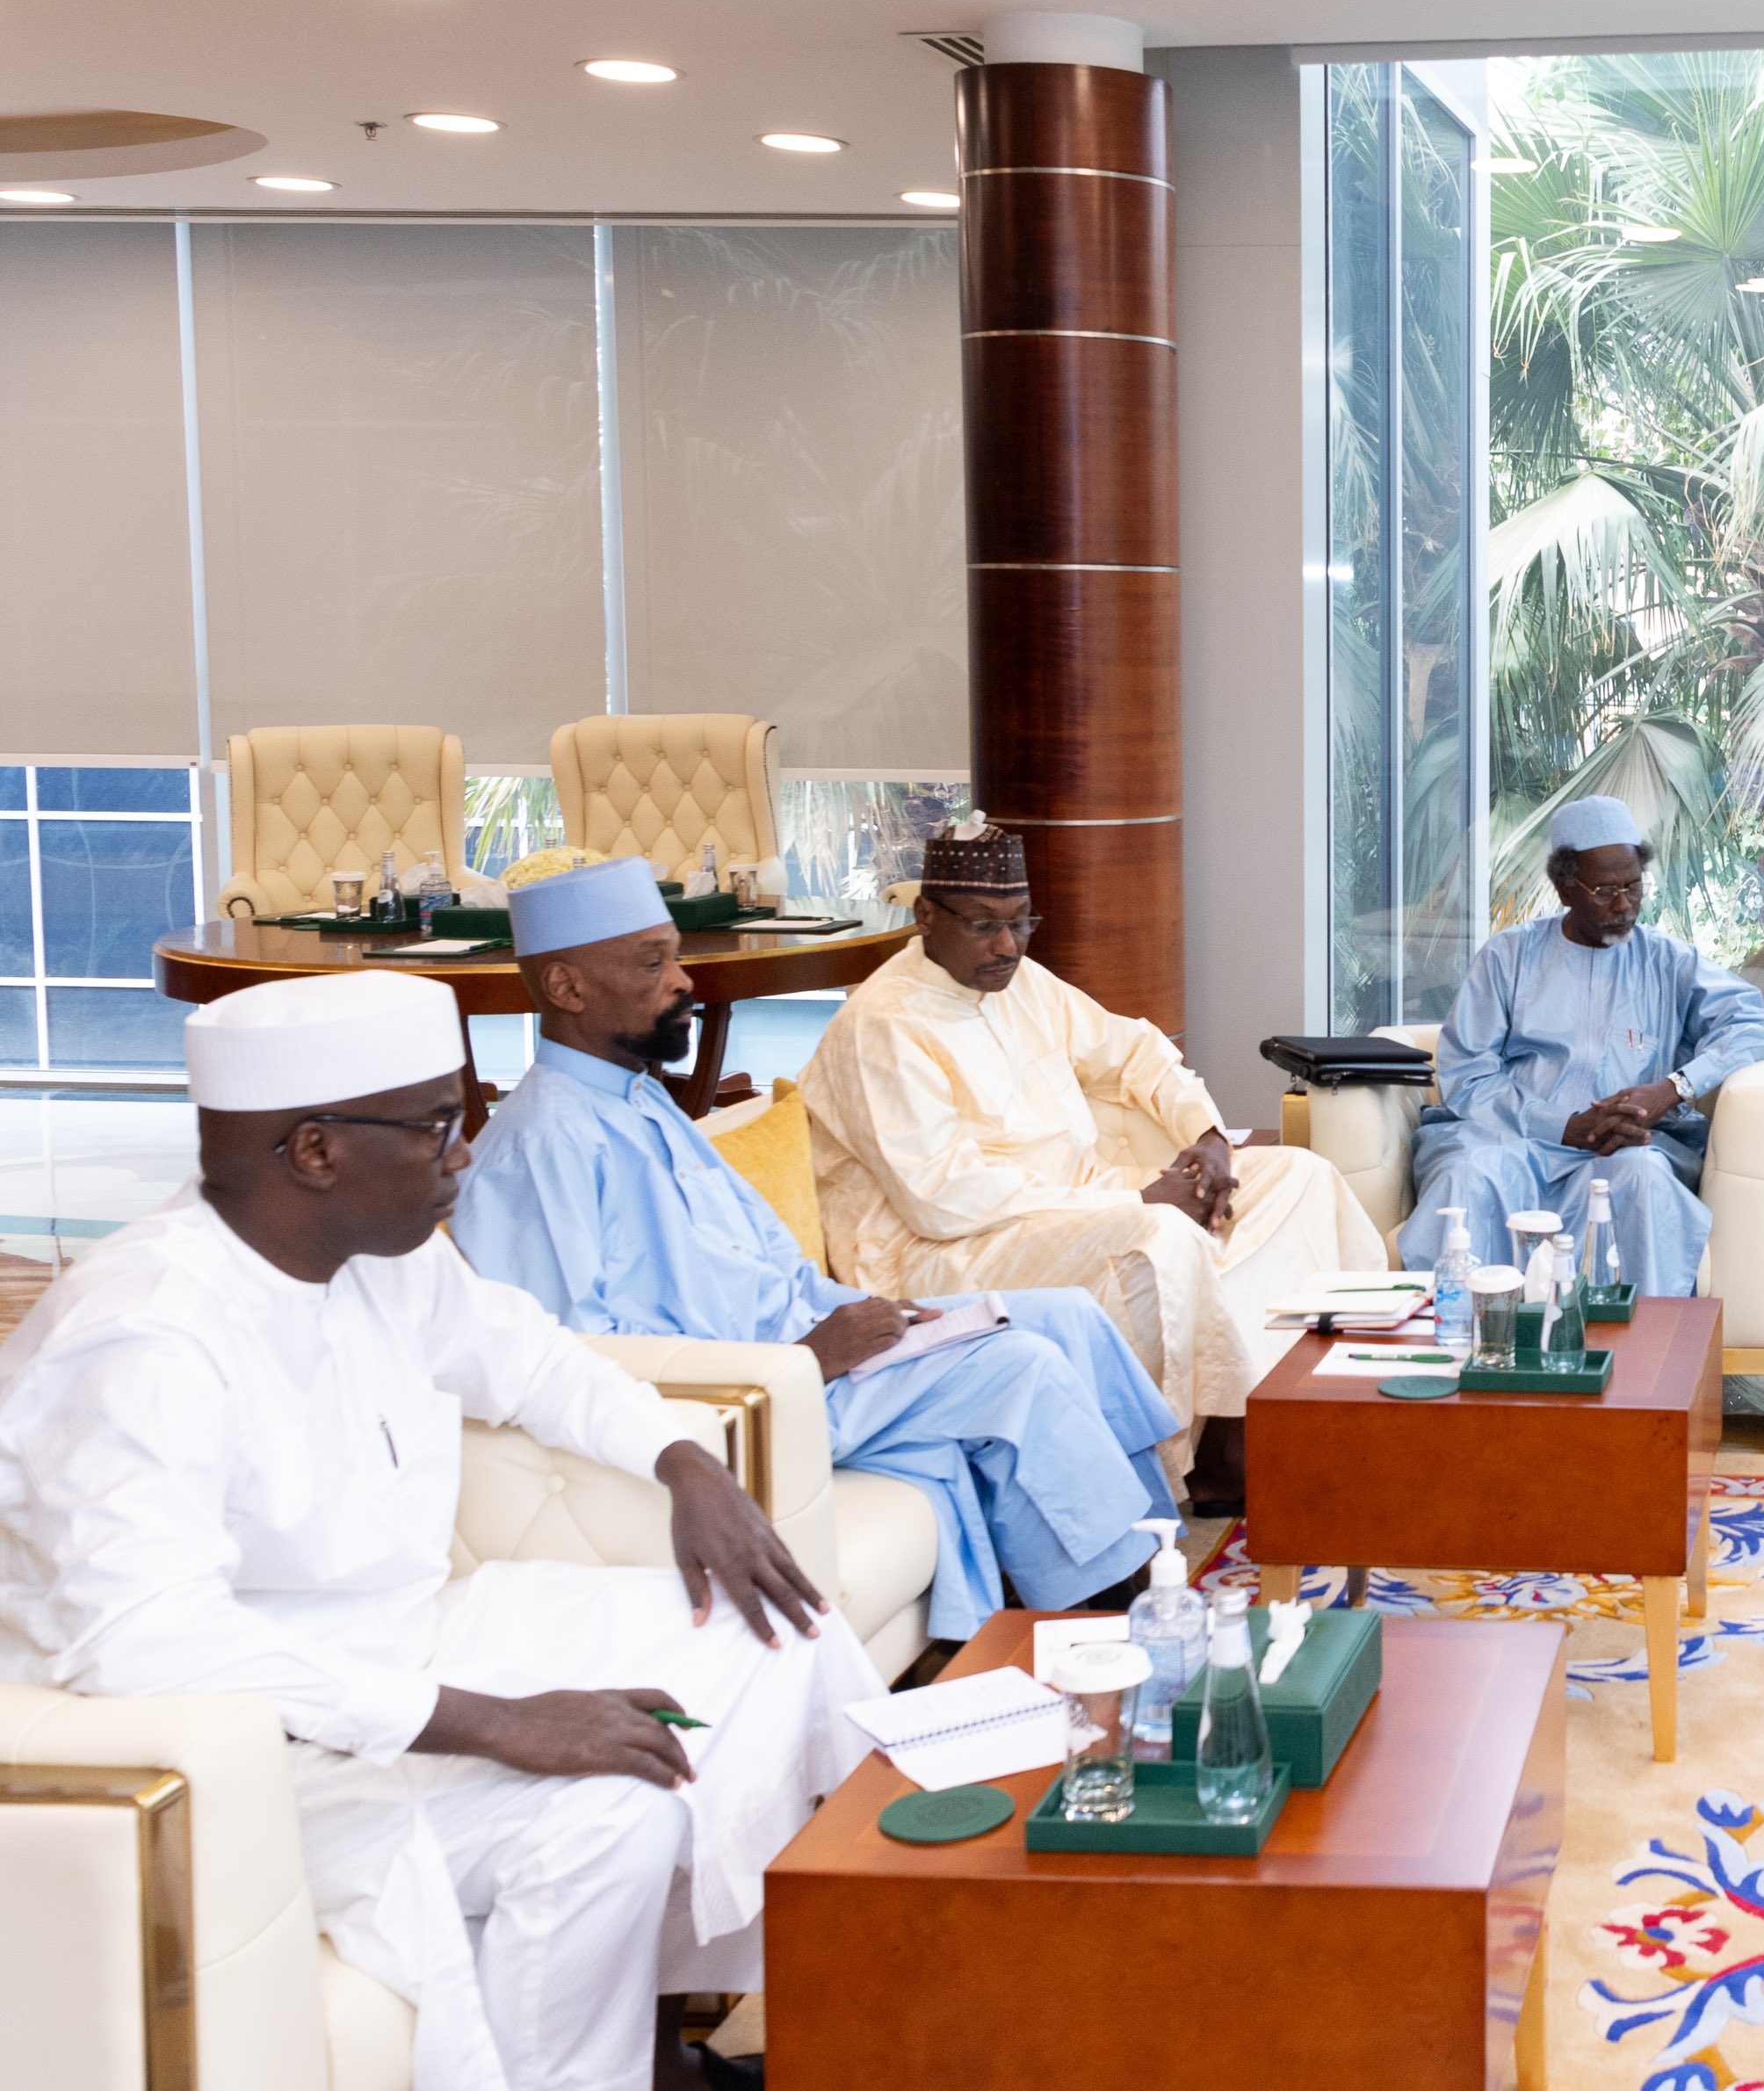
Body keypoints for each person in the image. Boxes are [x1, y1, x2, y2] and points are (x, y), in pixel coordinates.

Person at [0, 972, 878, 2091]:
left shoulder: (381, 1257)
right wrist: (496, 1723)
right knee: (614, 1809)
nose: (465, 1155)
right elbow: (146, 1644)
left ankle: (855, 1969)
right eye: (435, 1128)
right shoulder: (143, 1338)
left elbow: (532, 1357)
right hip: (257, 1749)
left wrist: (682, 1457)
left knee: (774, 1627)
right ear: (314, 1152)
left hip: (415, 1641)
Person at [455, 856, 1184, 1642]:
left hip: (812, 1350)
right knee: (1022, 1368)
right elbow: (573, 1359)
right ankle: (1124, 1627)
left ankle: (1165, 1562)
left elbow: (778, 1270)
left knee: (1066, 1319)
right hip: (752, 1401)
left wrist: (875, 1317)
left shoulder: (639, 1098)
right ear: (565, 988)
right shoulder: (537, 1146)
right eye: (651, 963)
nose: (683, 981)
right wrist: (811, 1357)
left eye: (674, 954)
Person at [799, 827, 1384, 1508]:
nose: (1008, 946)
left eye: (1022, 922)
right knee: (1158, 1238)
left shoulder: (1019, 982)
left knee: (1297, 1177)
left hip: (1074, 1206)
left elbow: (1132, 1048)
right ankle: (1186, 1470)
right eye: (986, 926)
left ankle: (1265, 1412)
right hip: (943, 1250)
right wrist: (1140, 1202)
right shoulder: (882, 1023)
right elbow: (943, 1196)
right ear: (926, 916)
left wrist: (1210, 1137)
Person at [1394, 796, 1764, 1300]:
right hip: (1511, 1140)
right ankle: (1461, 1349)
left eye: (1633, 886)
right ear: (1564, 887)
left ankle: (1643, 1362)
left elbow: (1754, 1024)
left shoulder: (1668, 961)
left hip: (1622, 1149)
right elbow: (1468, 1073)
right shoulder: (1509, 957)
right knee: (1467, 1176)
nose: (1623, 905)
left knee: (1642, 1179)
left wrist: (1673, 1088)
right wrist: (1564, 1126)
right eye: (1604, 891)